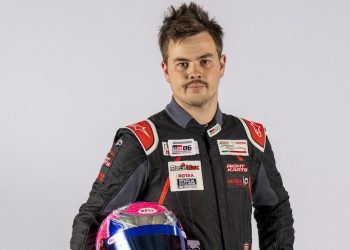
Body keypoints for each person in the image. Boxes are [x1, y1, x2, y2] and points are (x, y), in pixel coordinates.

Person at [70, 2, 295, 250]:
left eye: (205, 61)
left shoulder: (251, 138)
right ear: (166, 71)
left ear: (222, 65)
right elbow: (91, 221)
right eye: (183, 64)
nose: (194, 72)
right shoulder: (144, 141)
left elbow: (275, 211)